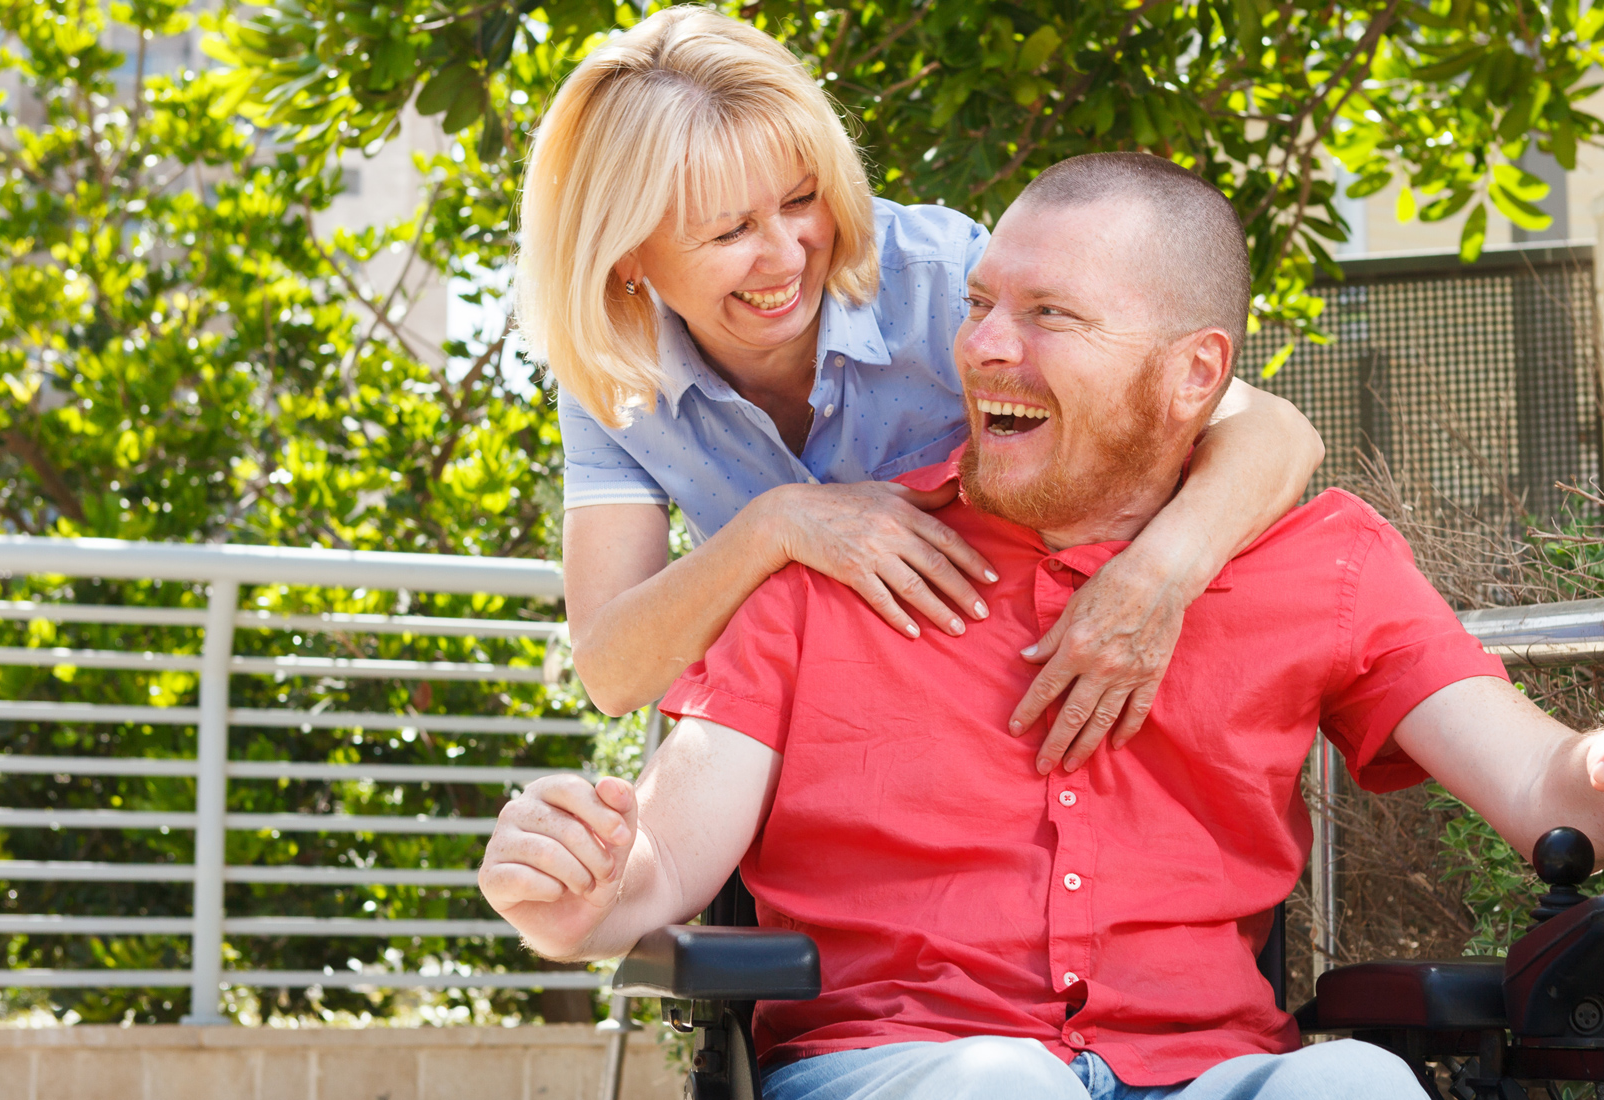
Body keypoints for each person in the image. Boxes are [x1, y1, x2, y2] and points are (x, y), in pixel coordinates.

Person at [482, 153, 1604, 1100]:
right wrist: (571, 891)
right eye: (980, 303)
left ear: (1195, 375)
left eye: (1049, 317)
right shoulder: (824, 568)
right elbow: (652, 868)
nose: (981, 346)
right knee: (1008, 1094)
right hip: (911, 1079)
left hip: (1210, 1075)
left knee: (1358, 1095)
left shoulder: (1315, 564)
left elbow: (1550, 791)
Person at [518, 7, 1327, 771]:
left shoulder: (941, 281)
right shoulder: (614, 371)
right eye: (729, 231)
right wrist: (779, 525)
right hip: (803, 755)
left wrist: (1156, 577)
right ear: (626, 254)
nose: (787, 254)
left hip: (1020, 719)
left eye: (802, 200)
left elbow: (1276, 433)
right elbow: (612, 669)